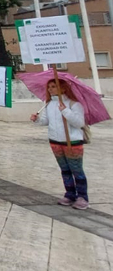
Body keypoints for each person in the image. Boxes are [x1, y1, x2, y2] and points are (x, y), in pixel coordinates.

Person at [30, 79, 89, 210]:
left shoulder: (74, 104)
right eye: (49, 87)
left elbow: (79, 123)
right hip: (55, 141)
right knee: (65, 170)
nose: (50, 89)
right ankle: (70, 194)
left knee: (76, 170)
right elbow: (45, 121)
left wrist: (66, 111)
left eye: (53, 86)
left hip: (72, 142)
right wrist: (37, 119)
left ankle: (83, 197)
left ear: (62, 88)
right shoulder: (49, 104)